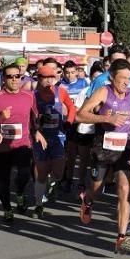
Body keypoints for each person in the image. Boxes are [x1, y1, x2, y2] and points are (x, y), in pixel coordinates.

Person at [76, 58, 130, 253]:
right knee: (97, 190)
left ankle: (121, 236)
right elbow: (80, 115)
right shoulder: (103, 92)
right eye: (122, 78)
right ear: (111, 77)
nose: (126, 82)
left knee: (125, 189)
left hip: (124, 149)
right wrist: (106, 118)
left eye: (129, 78)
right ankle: (88, 201)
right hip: (102, 147)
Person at [0, 63, 39, 223]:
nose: (14, 79)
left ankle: (20, 193)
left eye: (18, 76)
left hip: (23, 144)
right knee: (3, 180)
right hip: (2, 146)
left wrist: (37, 131)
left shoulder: (29, 95)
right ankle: (7, 209)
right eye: (10, 76)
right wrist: (0, 117)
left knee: (24, 175)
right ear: (4, 79)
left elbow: (35, 117)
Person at [31, 64, 76, 218]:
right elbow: (27, 116)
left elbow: (71, 107)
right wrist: (36, 128)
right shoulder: (33, 95)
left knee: (58, 172)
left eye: (52, 77)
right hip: (41, 137)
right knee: (41, 173)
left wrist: (69, 122)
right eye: (45, 77)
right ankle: (38, 205)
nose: (49, 81)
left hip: (58, 136)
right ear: (39, 78)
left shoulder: (60, 91)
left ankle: (53, 183)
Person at [60, 61, 93, 196]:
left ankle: (81, 183)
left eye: (72, 72)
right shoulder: (61, 85)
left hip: (82, 123)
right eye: (67, 72)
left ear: (77, 71)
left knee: (84, 156)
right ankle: (68, 180)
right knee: (71, 155)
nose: (70, 75)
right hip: (68, 123)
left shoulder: (84, 83)